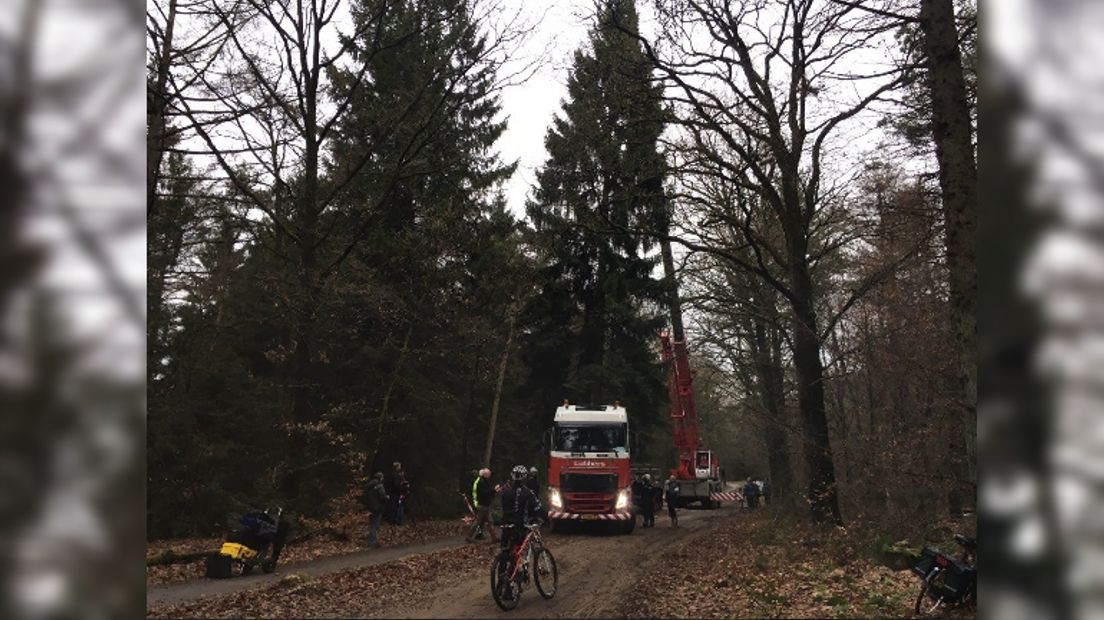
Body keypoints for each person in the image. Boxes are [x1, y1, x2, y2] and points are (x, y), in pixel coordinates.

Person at [499, 465, 543, 552]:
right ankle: (515, 563)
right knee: (518, 549)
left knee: (504, 548)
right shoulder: (527, 492)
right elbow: (537, 507)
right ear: (525, 477)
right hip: (519, 524)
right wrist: (542, 516)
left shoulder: (505, 489)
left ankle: (502, 563)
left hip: (506, 521)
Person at [467, 468, 498, 543]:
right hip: (482, 505)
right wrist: (494, 490)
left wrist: (495, 491)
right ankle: (469, 536)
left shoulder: (486, 482)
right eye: (489, 474)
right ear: (485, 474)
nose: (490, 475)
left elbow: (489, 494)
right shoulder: (481, 482)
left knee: (489, 521)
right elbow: (484, 494)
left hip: (486, 505)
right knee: (478, 522)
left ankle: (494, 538)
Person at [365, 472, 389, 547]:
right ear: (380, 478)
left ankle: (372, 540)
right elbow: (383, 497)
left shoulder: (369, 486)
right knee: (375, 524)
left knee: (373, 523)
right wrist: (387, 497)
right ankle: (372, 541)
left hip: (370, 507)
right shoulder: (379, 486)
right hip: (378, 507)